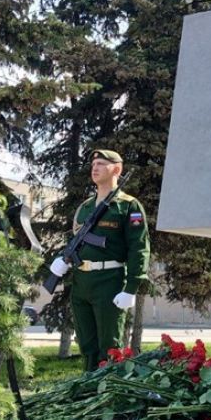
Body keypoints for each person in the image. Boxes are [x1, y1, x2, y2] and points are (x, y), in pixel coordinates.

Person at [49, 150, 150, 372]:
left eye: (102, 164)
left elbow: (139, 249)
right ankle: (89, 386)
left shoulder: (128, 206)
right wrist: (62, 260)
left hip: (109, 282)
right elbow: (75, 240)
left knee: (109, 347)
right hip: (81, 283)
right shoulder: (85, 207)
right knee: (87, 345)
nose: (95, 168)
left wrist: (131, 288)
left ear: (117, 169)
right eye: (94, 164)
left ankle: (109, 388)